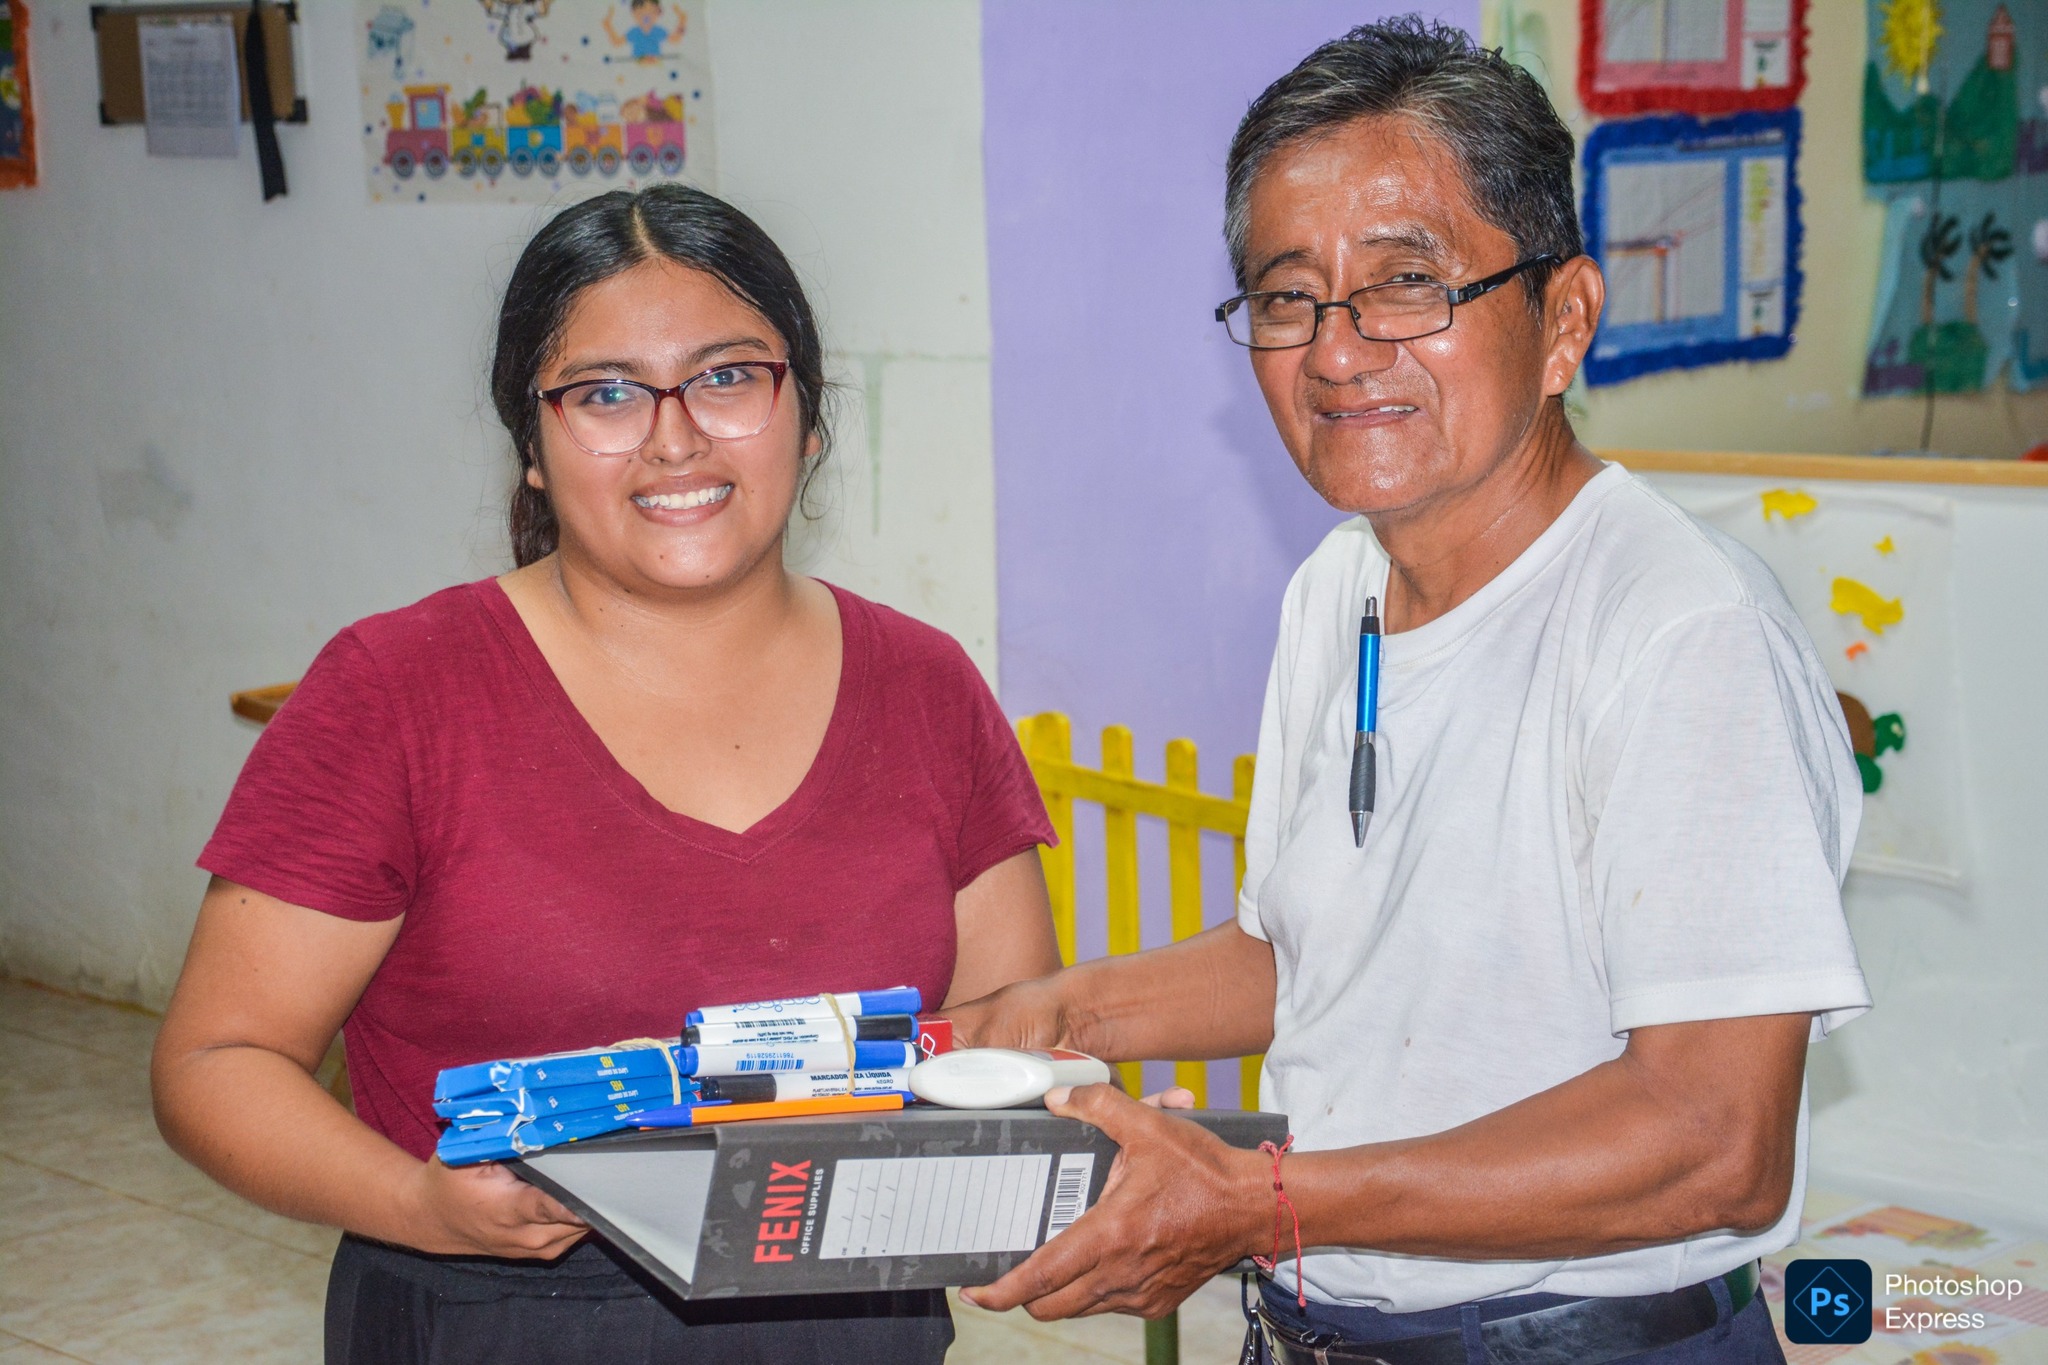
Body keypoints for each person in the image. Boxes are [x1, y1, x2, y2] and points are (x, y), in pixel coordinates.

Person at [953, 20, 1869, 1365]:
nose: (1336, 351)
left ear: (1562, 321)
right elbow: (1320, 957)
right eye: (1287, 298)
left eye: (1406, 285)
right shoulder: (1338, 586)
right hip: (1318, 1328)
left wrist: (1259, 1201)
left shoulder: (1677, 627)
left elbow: (1713, 1144)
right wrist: (1056, 1017)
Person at [151, 184, 1062, 1364]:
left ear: (807, 416)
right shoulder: (397, 691)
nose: (674, 439)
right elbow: (216, 1062)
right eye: (605, 394)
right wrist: (415, 1202)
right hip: (491, 1314)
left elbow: (997, 1037)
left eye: (727, 377)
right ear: (530, 447)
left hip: (849, 1319)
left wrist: (1072, 1125)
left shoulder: (925, 688)